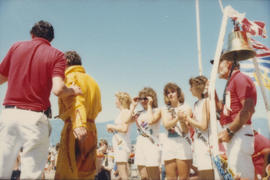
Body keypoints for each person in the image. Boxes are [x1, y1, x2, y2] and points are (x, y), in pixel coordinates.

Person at [0, 20, 81, 179]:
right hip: (35, 118)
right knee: (31, 174)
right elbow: (58, 89)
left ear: (32, 34)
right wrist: (73, 90)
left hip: (9, 115)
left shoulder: (16, 47)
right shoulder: (57, 55)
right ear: (51, 39)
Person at [55, 50, 102, 180]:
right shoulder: (93, 81)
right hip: (91, 129)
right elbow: (99, 108)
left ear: (67, 62)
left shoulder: (70, 77)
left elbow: (75, 102)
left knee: (67, 173)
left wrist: (78, 124)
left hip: (75, 128)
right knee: (86, 174)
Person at [214, 55, 257, 179]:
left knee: (241, 174)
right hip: (235, 133)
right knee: (235, 173)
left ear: (229, 62)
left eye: (219, 62)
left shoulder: (240, 79)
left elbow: (248, 109)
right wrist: (212, 94)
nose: (216, 68)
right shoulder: (233, 82)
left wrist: (230, 131)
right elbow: (225, 111)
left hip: (238, 132)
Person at [183, 76, 214, 180]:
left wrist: (188, 118)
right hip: (199, 144)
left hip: (207, 144)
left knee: (208, 175)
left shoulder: (206, 102)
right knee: (202, 175)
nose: (189, 89)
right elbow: (197, 125)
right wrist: (188, 121)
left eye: (191, 86)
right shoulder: (196, 104)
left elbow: (204, 126)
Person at [161, 82, 193, 180]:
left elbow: (185, 130)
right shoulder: (164, 109)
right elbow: (166, 125)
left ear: (178, 93)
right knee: (170, 177)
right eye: (168, 93)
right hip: (169, 145)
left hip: (183, 144)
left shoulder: (186, 107)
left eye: (173, 91)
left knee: (183, 178)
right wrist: (178, 118)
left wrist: (182, 121)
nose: (170, 94)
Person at [131, 87, 162, 180]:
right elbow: (126, 121)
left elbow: (151, 121)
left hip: (152, 143)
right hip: (140, 143)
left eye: (145, 98)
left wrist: (149, 105)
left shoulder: (157, 110)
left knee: (154, 177)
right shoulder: (138, 112)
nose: (143, 101)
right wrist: (133, 106)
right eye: (141, 98)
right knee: (143, 176)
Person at [106, 92, 135, 180]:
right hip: (121, 144)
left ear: (121, 101)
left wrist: (111, 126)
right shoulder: (124, 112)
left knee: (123, 172)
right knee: (122, 171)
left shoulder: (125, 112)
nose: (115, 102)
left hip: (122, 145)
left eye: (116, 100)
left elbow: (124, 129)